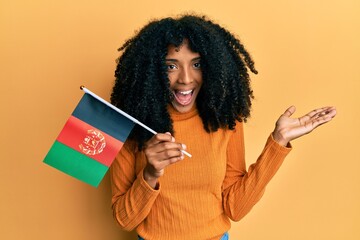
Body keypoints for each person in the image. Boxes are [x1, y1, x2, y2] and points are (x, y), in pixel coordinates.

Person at [109, 14, 336, 240]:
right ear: (152, 71)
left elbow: (235, 208)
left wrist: (277, 143)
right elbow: (124, 220)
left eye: (196, 64)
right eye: (171, 66)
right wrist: (150, 174)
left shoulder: (225, 119)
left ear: (211, 66)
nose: (186, 79)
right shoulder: (130, 125)